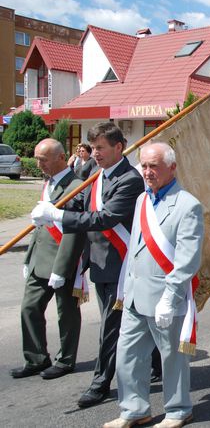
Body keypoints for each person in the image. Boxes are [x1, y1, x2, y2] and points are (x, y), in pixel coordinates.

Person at [31, 122, 144, 407]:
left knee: (110, 326)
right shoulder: (96, 172)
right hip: (100, 263)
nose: (94, 153)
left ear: (119, 147)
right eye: (92, 148)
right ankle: (155, 364)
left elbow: (104, 219)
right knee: (130, 321)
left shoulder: (129, 179)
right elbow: (80, 204)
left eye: (100, 148)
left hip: (122, 265)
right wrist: (51, 211)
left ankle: (100, 384)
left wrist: (58, 217)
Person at [102, 142, 203, 428]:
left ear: (172, 167)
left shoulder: (187, 205)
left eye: (154, 166)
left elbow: (187, 259)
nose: (147, 172)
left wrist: (170, 298)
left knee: (173, 359)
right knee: (128, 356)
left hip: (165, 299)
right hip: (135, 295)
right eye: (144, 166)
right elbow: (136, 247)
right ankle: (134, 410)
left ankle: (178, 410)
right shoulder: (142, 200)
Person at [11, 139, 86, 380]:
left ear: (61, 158)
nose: (38, 163)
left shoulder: (77, 185)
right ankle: (35, 357)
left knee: (67, 314)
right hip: (39, 259)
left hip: (62, 262)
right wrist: (29, 258)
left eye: (43, 159)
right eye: (37, 158)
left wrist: (62, 268)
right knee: (29, 308)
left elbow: (75, 230)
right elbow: (41, 225)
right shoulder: (48, 183)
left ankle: (65, 360)